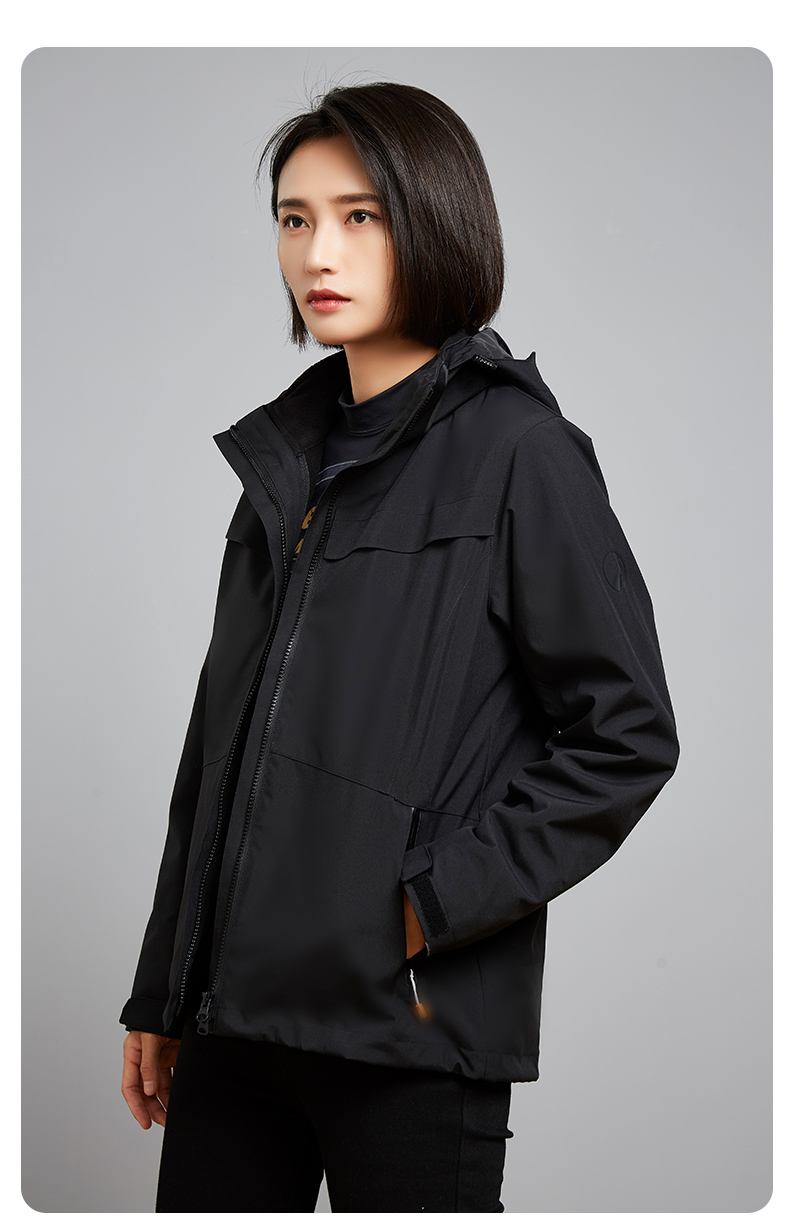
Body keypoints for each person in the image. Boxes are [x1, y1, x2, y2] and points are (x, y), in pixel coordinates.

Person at [119, 81, 680, 1213]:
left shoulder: (521, 452)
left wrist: (421, 906)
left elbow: (627, 735)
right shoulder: (283, 468)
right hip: (234, 1023)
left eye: (360, 215)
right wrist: (164, 984)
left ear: (433, 219)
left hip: (410, 1029)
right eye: (294, 218)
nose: (317, 251)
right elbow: (216, 750)